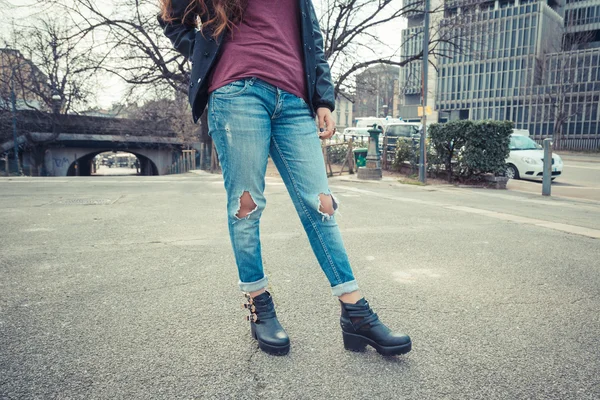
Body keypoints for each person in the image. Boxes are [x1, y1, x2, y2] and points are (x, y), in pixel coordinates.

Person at [158, 0, 411, 356]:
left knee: (321, 205)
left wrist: (323, 98)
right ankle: (260, 306)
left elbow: (313, 40)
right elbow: (172, 17)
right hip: (236, 93)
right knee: (247, 206)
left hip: (294, 100)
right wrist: (205, 53)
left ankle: (355, 314)